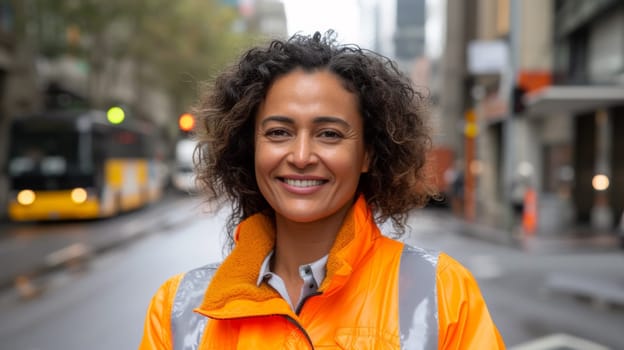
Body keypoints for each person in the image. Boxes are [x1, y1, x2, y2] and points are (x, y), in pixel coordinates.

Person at [139, 31, 505, 349]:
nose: (300, 156)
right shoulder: (179, 308)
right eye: (279, 132)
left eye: (329, 134)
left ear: (368, 155)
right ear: (250, 148)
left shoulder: (441, 291)